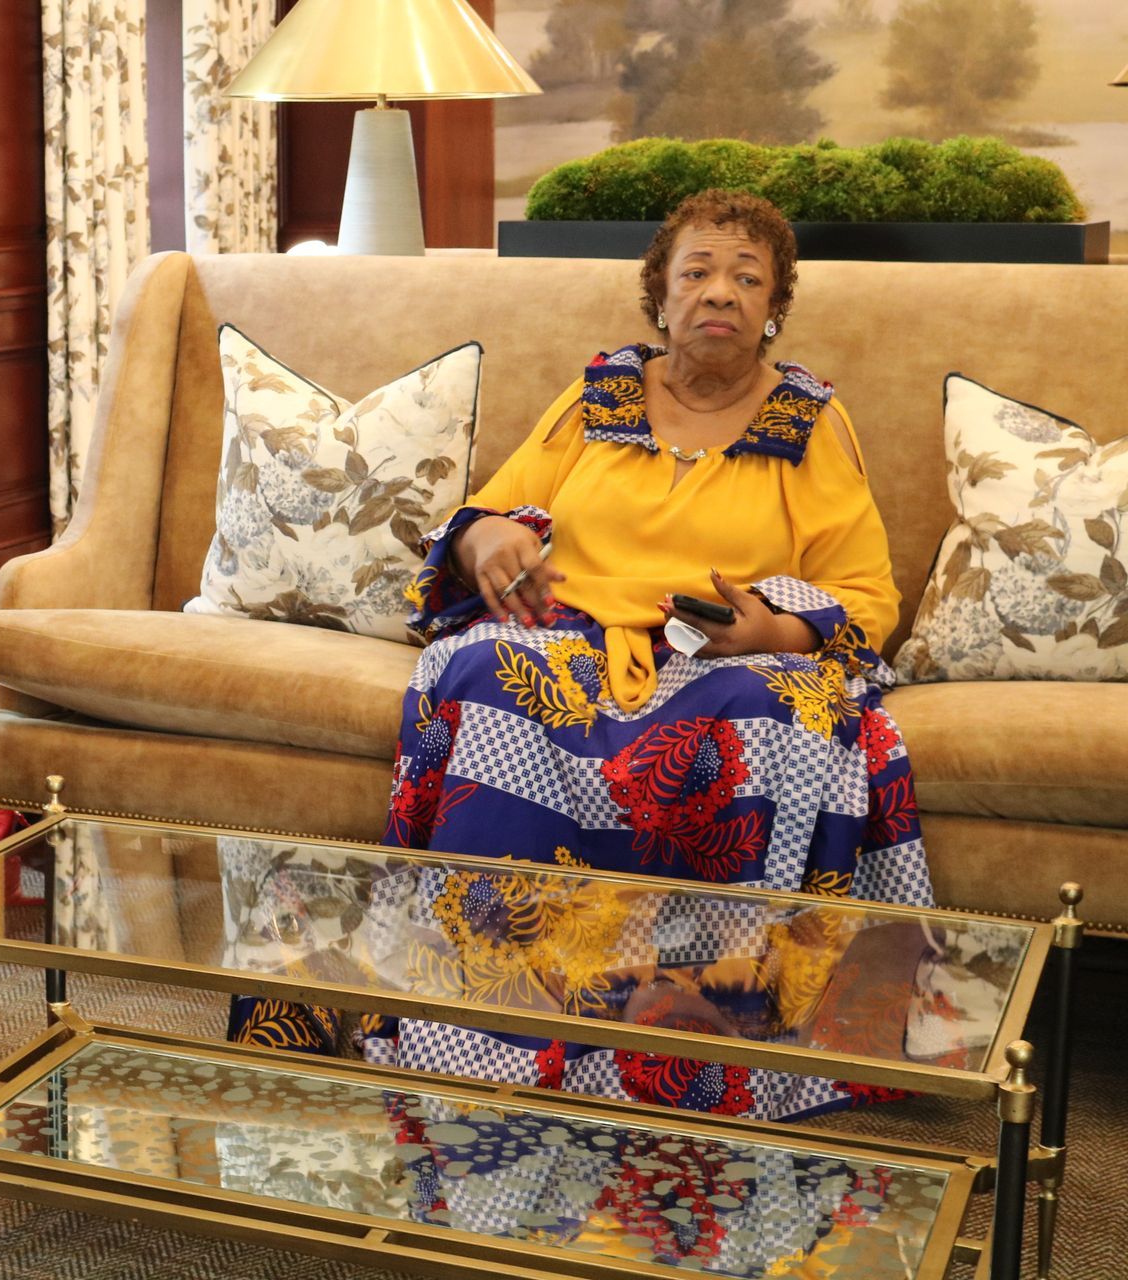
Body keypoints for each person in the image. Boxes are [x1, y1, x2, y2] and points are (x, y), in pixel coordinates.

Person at [231, 190, 934, 1122]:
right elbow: (489, 511)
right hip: (573, 643)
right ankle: (485, 1028)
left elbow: (865, 599)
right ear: (660, 297)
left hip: (727, 660)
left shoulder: (808, 423)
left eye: (745, 279)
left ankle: (692, 1042)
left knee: (775, 716)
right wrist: (486, 544)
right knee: (479, 672)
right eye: (696, 274)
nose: (718, 294)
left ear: (775, 309)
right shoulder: (599, 396)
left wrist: (768, 630)